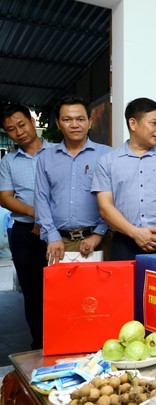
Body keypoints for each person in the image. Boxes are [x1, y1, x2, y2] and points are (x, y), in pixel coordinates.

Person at [91, 97, 156, 260]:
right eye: (154, 123)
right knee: (125, 286)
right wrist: (135, 233)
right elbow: (105, 207)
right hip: (124, 242)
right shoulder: (107, 161)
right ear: (133, 124)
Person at [35, 96, 112, 264]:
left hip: (99, 241)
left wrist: (98, 234)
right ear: (58, 123)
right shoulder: (46, 158)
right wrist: (52, 236)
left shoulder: (107, 155)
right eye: (67, 119)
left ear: (90, 122)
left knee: (99, 290)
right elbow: (41, 199)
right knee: (62, 290)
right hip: (59, 243)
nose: (75, 125)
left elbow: (115, 199)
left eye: (80, 119)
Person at [0, 103, 52, 349]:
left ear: (32, 121)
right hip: (24, 234)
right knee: (32, 293)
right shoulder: (8, 161)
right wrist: (37, 214)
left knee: (61, 290)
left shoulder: (57, 152)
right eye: (11, 129)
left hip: (57, 234)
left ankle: (64, 341)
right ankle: (40, 344)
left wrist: (46, 222)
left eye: (21, 124)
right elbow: (5, 197)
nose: (18, 132)